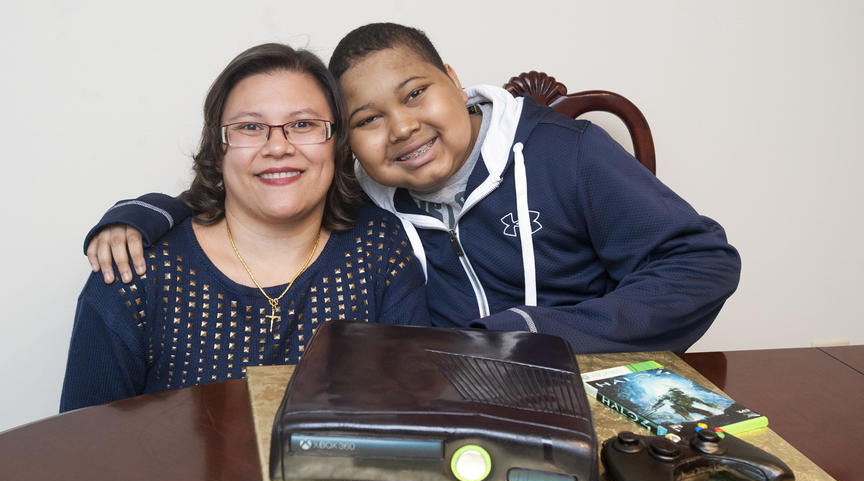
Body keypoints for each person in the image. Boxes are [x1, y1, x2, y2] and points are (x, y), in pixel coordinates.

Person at [83, 23, 740, 355]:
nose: (401, 128)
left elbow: (703, 261)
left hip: (601, 386)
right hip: (466, 413)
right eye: (368, 120)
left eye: (416, 93)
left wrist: (536, 332)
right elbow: (261, 179)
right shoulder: (368, 205)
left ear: (453, 78)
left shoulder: (565, 155)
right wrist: (141, 214)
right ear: (346, 143)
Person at [61, 43, 429, 412]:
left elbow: (414, 420)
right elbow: (84, 450)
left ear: (338, 144)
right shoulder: (135, 271)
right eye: (250, 127)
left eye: (303, 124)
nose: (277, 147)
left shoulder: (380, 251)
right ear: (218, 148)